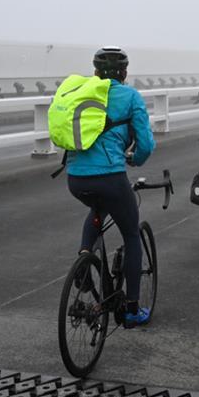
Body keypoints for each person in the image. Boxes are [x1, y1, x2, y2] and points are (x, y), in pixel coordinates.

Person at [67, 46, 156, 326]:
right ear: (124, 73)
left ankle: (84, 259)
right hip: (111, 176)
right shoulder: (129, 96)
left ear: (95, 72)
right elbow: (145, 144)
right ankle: (131, 309)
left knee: (97, 208)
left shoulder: (80, 92)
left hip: (76, 178)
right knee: (131, 233)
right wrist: (135, 159)